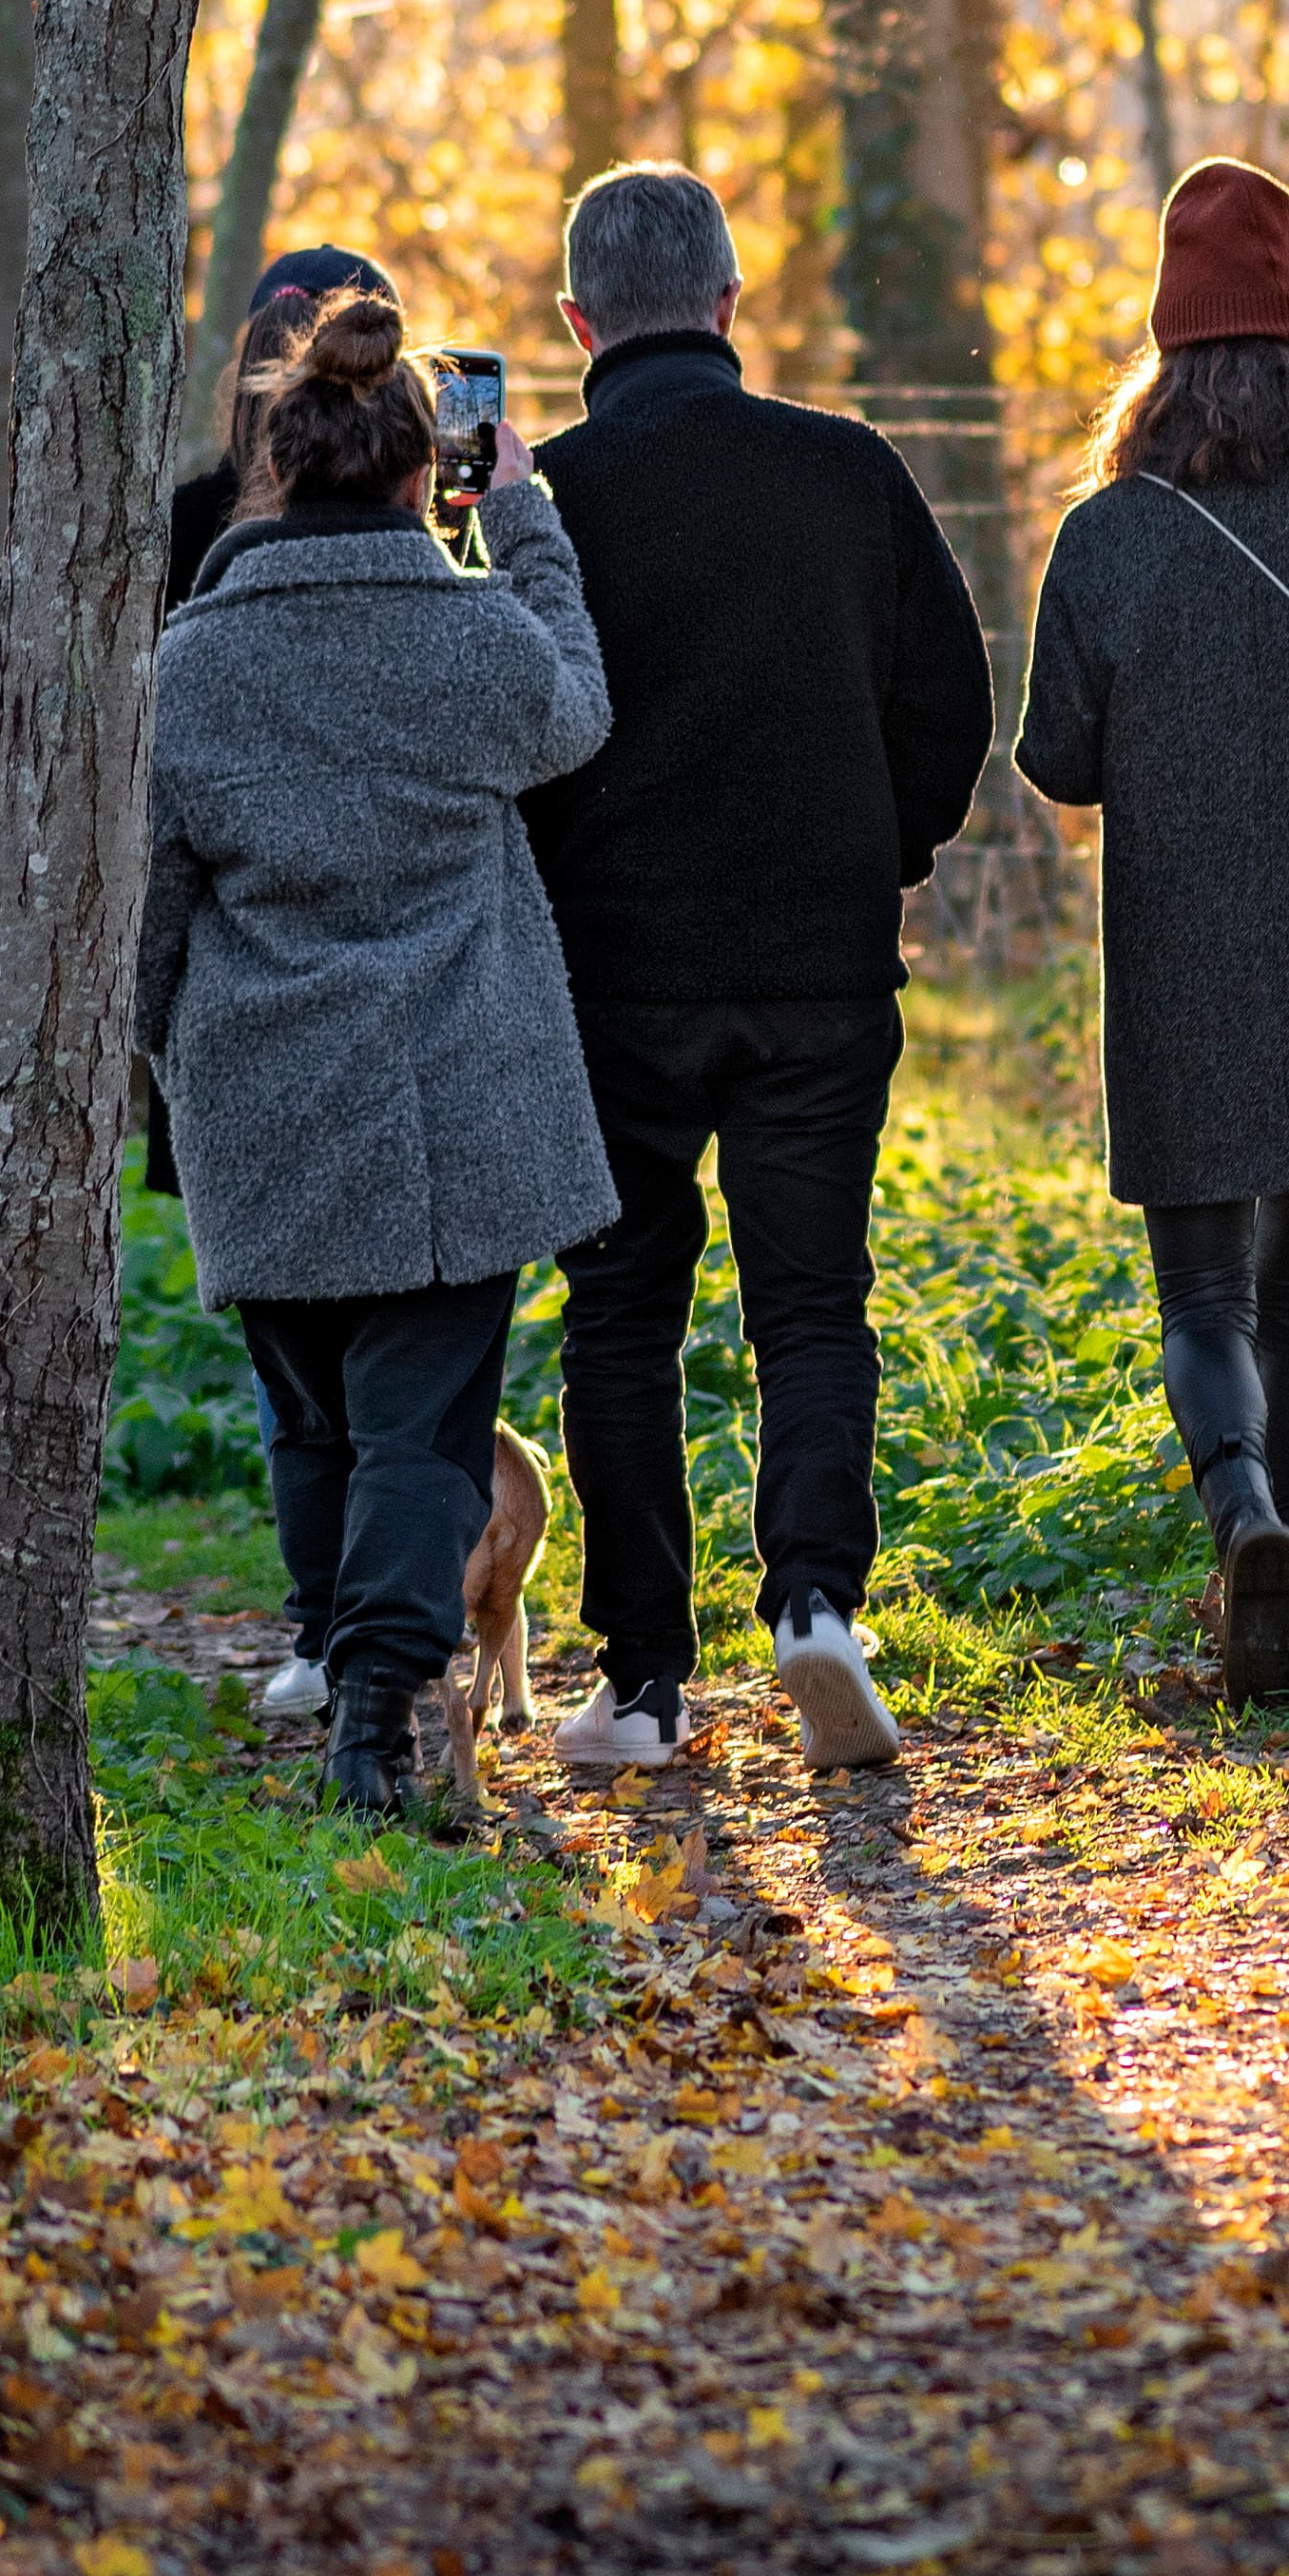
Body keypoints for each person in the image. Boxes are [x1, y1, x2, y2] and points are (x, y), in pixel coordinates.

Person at [525, 163, 996, 1772]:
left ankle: (642, 1682)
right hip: (817, 966)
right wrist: (880, 854)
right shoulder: (846, 474)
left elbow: (509, 738)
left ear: (578, 322)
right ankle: (811, 1604)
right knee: (809, 1304)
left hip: (611, 980)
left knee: (620, 1316)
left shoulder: (545, 506)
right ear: (730, 304)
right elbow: (950, 712)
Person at [135, 290, 619, 1812]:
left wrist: (171, 1063)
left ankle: (345, 1667)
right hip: (447, 1093)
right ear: (427, 472)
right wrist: (526, 522)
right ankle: (372, 1714)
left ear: (273, 466)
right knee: (419, 1430)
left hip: (257, 1097)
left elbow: (156, 903)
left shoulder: (194, 660)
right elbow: (574, 713)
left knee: (323, 1429)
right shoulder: (467, 629)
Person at [1014, 160, 1289, 1702]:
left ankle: (1241, 1521)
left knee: (1201, 1297)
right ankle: (1288, 1597)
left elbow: (1057, 758)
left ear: (1164, 353)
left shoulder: (1105, 539)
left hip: (1181, 959)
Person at [144, 240, 393, 1725]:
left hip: (300, 985)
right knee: (317, 1354)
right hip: (261, 985)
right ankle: (335, 1620)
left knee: (342, 1351)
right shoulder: (182, 527)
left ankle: (358, 1621)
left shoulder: (429, 526)